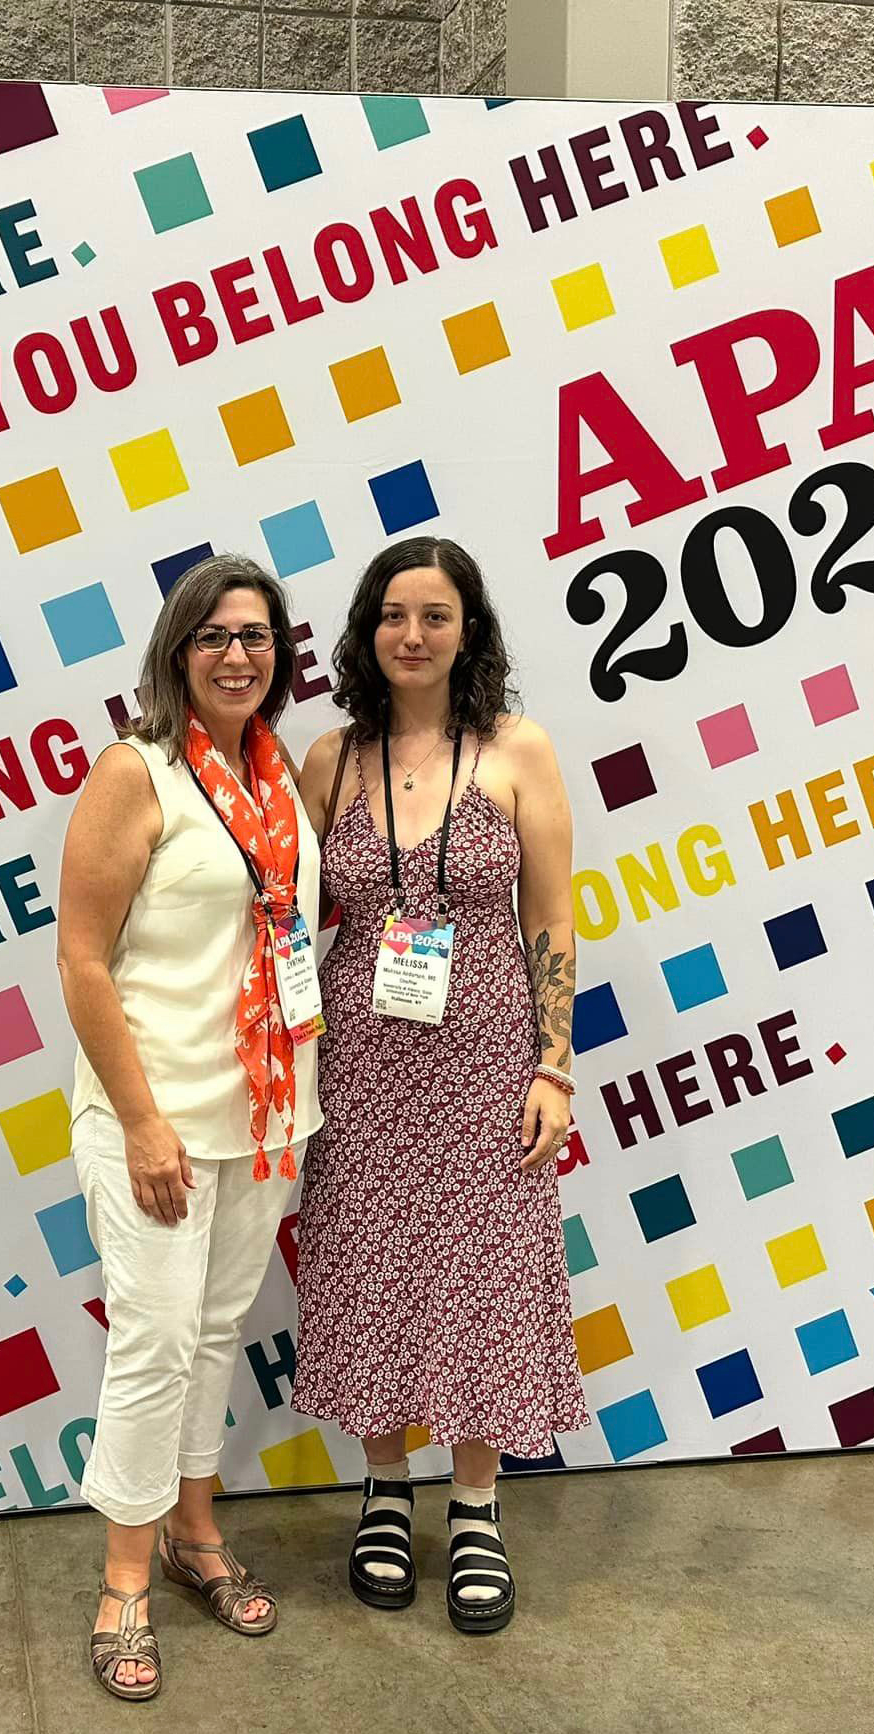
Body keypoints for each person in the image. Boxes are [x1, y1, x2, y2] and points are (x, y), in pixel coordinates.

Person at [293, 534, 588, 1636]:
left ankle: (474, 1502)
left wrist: (551, 1064)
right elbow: (286, 918)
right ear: (367, 633)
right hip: (359, 1063)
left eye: (433, 614)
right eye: (390, 616)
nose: (409, 635)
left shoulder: (517, 749)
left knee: (482, 1272)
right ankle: (382, 1486)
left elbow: (549, 914)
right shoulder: (331, 758)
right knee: (368, 1262)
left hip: (483, 1060)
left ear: (469, 630)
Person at [56, 554, 324, 1700]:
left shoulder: (277, 778)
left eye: (256, 635)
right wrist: (140, 1122)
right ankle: (123, 1577)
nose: (236, 653)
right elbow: (79, 957)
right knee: (153, 1340)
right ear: (176, 651)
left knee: (214, 1331)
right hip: (153, 1115)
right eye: (213, 635)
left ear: (280, 654)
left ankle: (192, 1531)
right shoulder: (138, 772)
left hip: (264, 1114)